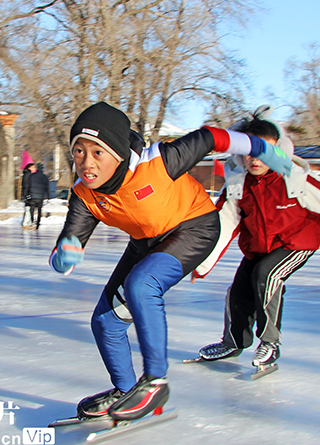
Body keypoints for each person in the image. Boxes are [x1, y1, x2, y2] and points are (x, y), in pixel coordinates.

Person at [49, 101, 294, 423]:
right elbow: (67, 244)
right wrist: (65, 255)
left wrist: (261, 147)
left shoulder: (158, 162)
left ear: (120, 153)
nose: (86, 163)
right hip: (147, 242)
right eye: (78, 151)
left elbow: (211, 137)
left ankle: (155, 383)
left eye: (97, 152)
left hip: (194, 227)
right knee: (105, 322)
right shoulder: (83, 194)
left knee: (142, 285)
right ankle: (125, 391)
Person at [191, 117, 320, 368]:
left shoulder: (294, 178)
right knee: (238, 291)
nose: (255, 159)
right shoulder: (238, 185)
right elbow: (223, 224)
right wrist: (201, 264)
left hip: (296, 243)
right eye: (249, 152)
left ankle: (270, 342)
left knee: (266, 275)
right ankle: (233, 342)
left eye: (264, 151)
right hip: (259, 246)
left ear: (278, 151)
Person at [25, 163, 50, 230]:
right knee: (39, 209)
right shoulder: (45, 177)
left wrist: (26, 194)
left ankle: (32, 221)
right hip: (40, 196)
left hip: (33, 195)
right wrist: (47, 195)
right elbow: (47, 187)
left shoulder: (31, 176)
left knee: (32, 209)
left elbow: (28, 186)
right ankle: (38, 223)